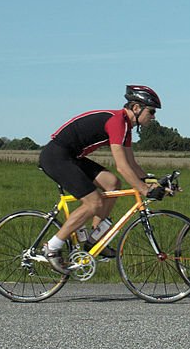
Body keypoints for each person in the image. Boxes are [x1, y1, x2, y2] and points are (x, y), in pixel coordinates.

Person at [37, 84, 164, 273]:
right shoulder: (117, 122)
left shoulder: (126, 128)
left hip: (73, 157)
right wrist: (144, 190)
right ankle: (52, 247)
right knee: (93, 203)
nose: (153, 117)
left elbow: (132, 165)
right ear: (136, 108)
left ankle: (95, 239)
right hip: (56, 156)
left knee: (112, 183)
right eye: (151, 111)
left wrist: (155, 182)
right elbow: (122, 166)